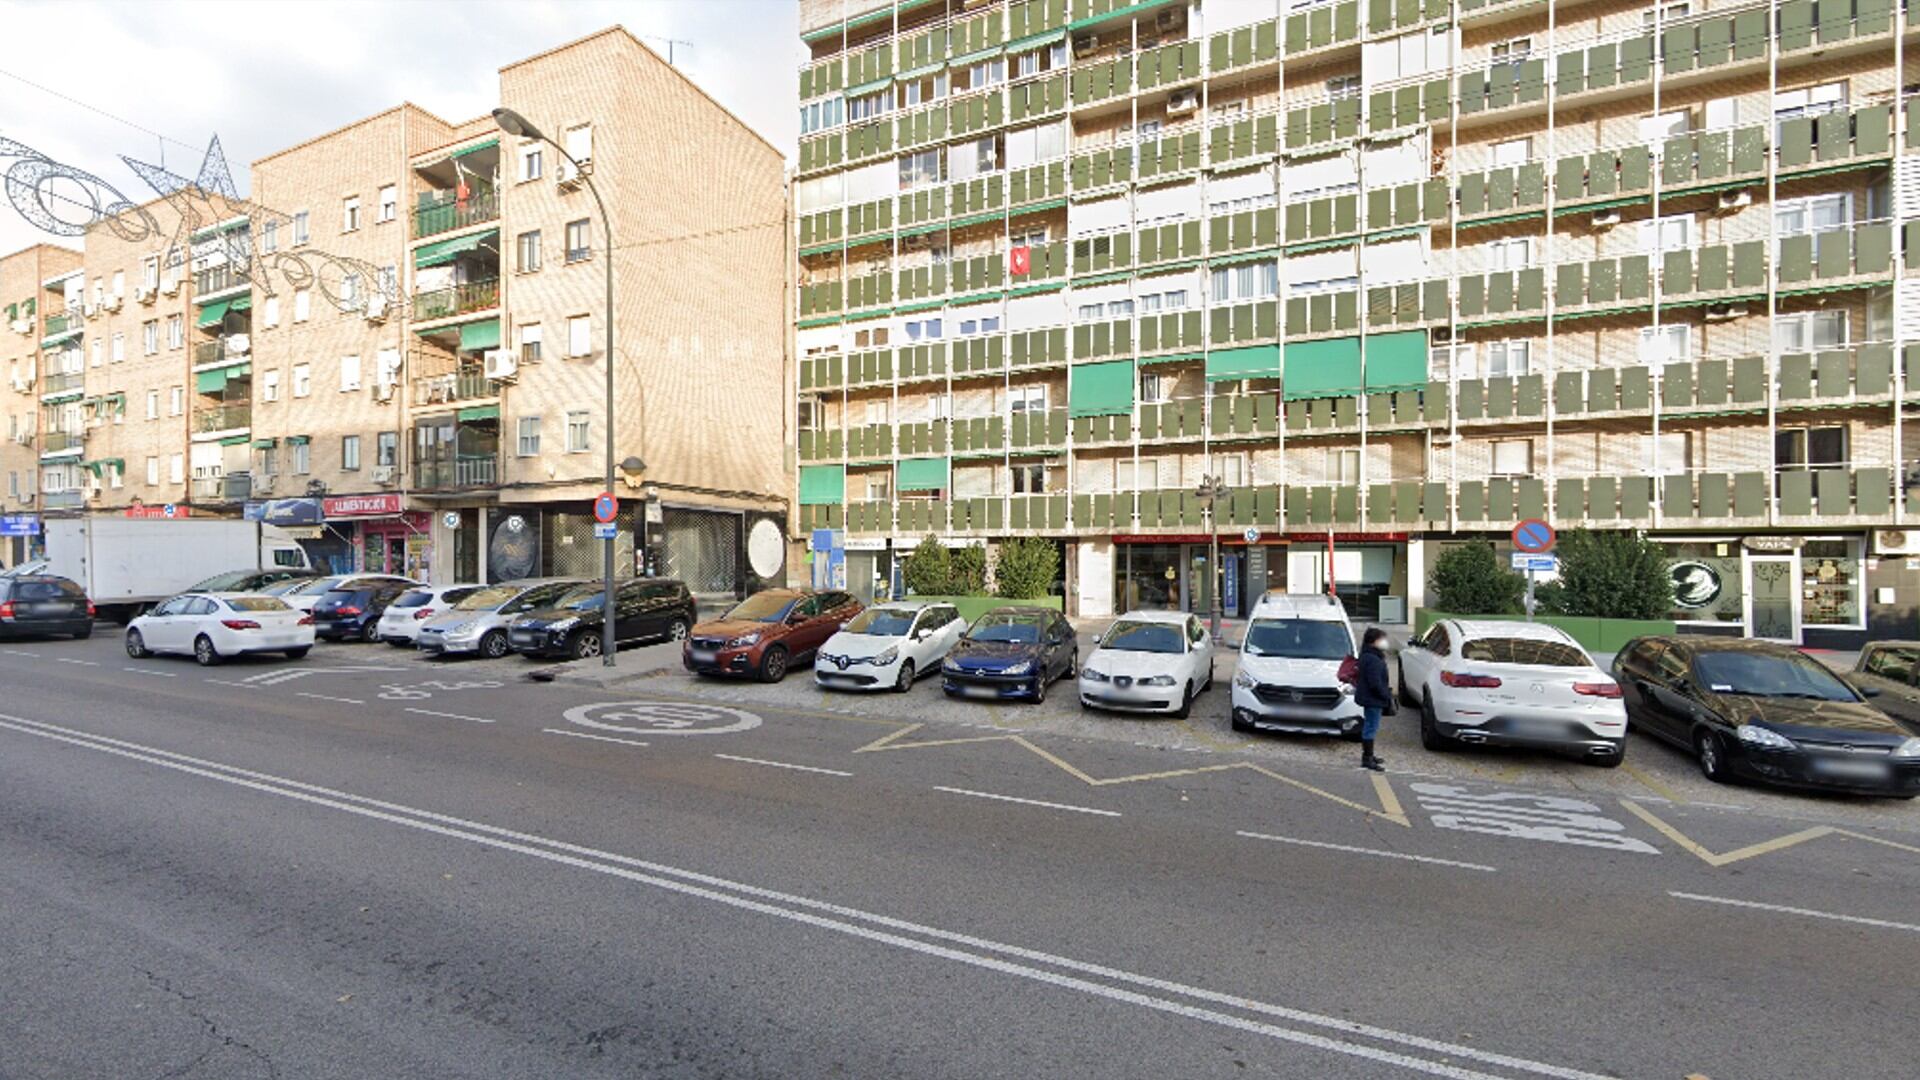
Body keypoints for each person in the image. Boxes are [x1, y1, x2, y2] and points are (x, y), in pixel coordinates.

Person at [1353, 627, 1393, 772]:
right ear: (1374, 641)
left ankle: (1369, 755)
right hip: (1373, 699)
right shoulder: (1373, 659)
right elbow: (1375, 683)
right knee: (1371, 727)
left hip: (1368, 697)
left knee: (1370, 726)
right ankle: (1367, 758)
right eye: (1381, 639)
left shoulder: (1366, 655)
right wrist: (1386, 695)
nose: (1384, 642)